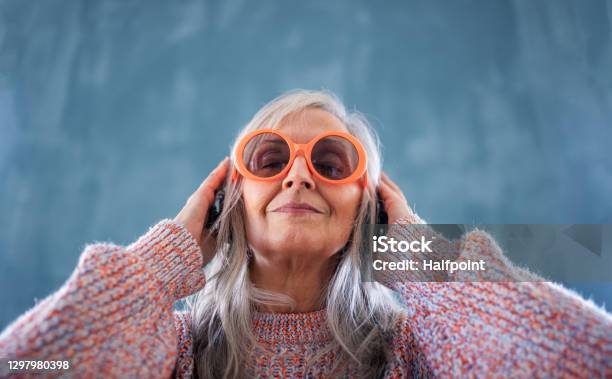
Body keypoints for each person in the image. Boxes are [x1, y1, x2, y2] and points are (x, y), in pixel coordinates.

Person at [0, 89, 610, 378]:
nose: (297, 177)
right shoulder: (173, 354)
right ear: (229, 203)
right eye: (269, 159)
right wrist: (163, 263)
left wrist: (423, 258)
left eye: (331, 161)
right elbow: (26, 367)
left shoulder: (414, 357)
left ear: (366, 212)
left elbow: (583, 361)